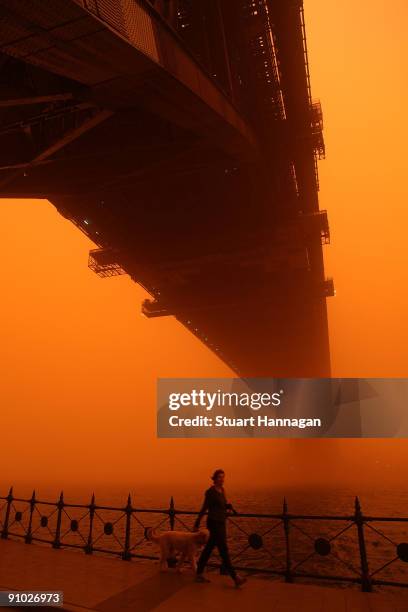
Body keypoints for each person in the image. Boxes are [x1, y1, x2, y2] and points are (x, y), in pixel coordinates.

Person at [194, 469, 246, 587]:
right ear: (214, 479)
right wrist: (197, 522)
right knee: (224, 550)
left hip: (222, 523)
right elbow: (204, 507)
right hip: (214, 523)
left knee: (208, 549)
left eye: (223, 477)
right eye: (219, 477)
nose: (222, 479)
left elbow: (222, 504)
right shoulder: (210, 492)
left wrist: (228, 506)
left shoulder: (222, 491)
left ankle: (199, 574)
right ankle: (235, 577)